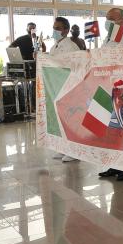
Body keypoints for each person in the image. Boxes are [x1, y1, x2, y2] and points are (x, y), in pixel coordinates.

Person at [98, 8, 123, 182]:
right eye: (106, 18)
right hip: (106, 88)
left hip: (120, 91)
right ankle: (113, 164)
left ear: (122, 20)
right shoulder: (108, 39)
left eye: (111, 18)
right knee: (110, 130)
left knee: (122, 130)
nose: (107, 22)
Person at [49, 17, 81, 163]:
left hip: (69, 84)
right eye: (54, 27)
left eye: (58, 28)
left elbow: (75, 65)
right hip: (57, 84)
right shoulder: (54, 46)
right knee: (59, 118)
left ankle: (74, 151)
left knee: (70, 119)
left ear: (66, 30)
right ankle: (63, 148)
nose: (55, 31)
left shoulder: (71, 46)